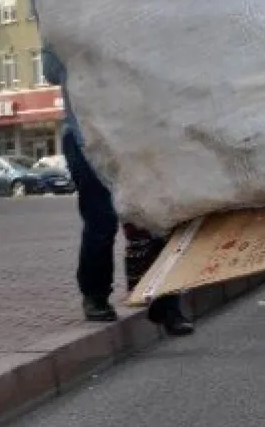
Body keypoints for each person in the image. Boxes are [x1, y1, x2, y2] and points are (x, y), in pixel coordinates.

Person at [44, 49, 194, 336]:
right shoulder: (62, 16)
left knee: (154, 217)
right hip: (86, 138)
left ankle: (164, 303)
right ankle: (95, 296)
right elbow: (51, 70)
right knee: (101, 221)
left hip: (131, 134)